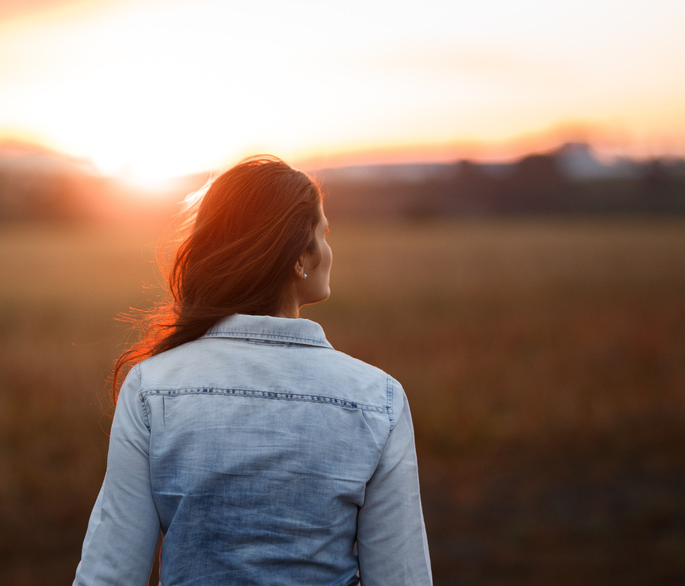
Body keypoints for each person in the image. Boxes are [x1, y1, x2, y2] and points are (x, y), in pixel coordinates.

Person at [73, 156, 432, 585]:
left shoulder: (152, 389)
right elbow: (402, 577)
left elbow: (109, 574)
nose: (329, 250)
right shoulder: (378, 399)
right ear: (302, 254)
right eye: (324, 233)